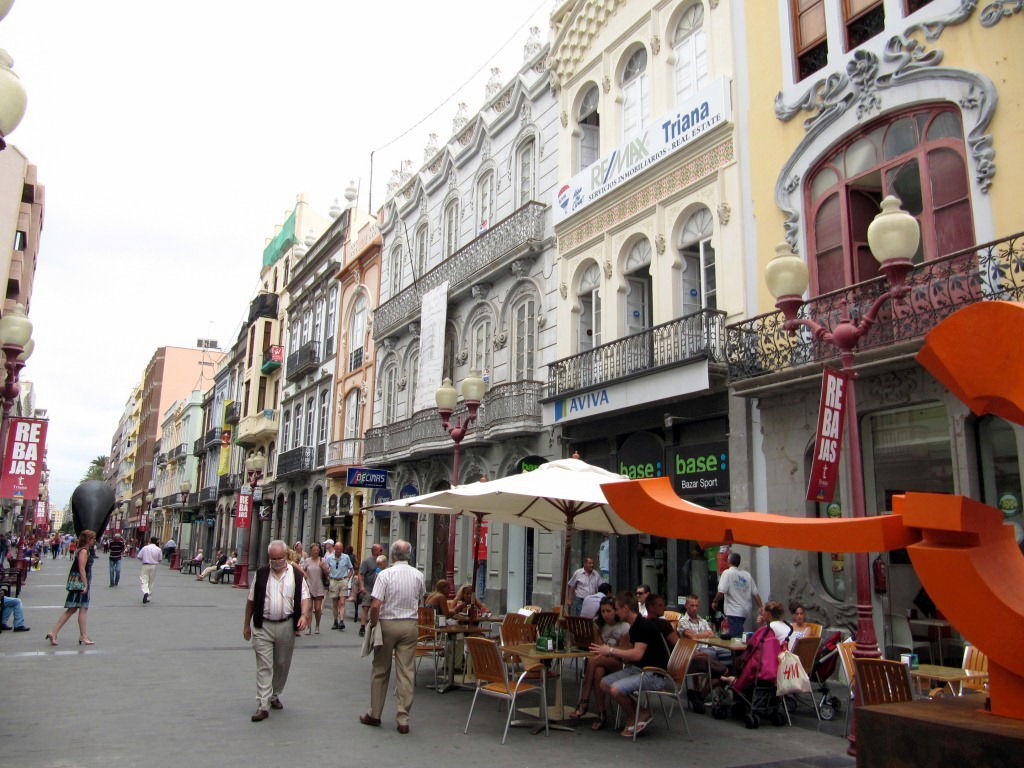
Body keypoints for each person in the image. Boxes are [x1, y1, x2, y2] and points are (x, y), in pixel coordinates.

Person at [360, 539, 425, 735]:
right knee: (406, 671)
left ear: (393, 556)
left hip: (387, 623)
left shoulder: (385, 575)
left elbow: (376, 604)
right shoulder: (418, 575)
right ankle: (403, 718)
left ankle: (375, 713)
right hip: (410, 625)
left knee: (380, 669)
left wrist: (373, 623)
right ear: (410, 556)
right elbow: (421, 597)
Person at [243, 540, 310, 722]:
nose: (276, 562)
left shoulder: (296, 574)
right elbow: (251, 601)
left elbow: (305, 597)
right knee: (264, 665)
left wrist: (304, 615)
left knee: (281, 663)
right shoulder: (262, 574)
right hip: (262, 625)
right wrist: (246, 625)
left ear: (286, 556)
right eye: (273, 559)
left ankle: (275, 694)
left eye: (279, 558)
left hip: (286, 626)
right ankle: (263, 704)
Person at [592, 592, 672, 737]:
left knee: (615, 689)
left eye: (617, 609)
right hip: (638, 669)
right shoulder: (634, 626)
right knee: (604, 683)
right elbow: (630, 653)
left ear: (626, 608)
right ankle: (641, 712)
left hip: (653, 673)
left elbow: (637, 654)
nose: (616, 612)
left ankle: (634, 715)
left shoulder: (643, 626)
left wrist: (610, 650)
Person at [570, 596, 630, 729]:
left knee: (593, 661)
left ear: (616, 611)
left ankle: (584, 701)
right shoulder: (600, 626)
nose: (605, 615)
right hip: (602, 661)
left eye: (609, 611)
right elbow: (597, 649)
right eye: (603, 612)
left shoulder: (625, 627)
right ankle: (601, 714)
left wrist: (609, 650)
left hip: (619, 663)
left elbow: (624, 651)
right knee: (598, 671)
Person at [46, 530, 97, 646]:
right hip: (80, 583)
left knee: (72, 609)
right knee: (82, 609)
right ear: (88, 540)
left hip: (77, 583)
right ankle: (82, 636)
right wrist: (85, 584)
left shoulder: (82, 550)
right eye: (93, 539)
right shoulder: (84, 551)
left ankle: (54, 632)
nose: (94, 541)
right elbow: (82, 568)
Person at [713, 552, 762, 638]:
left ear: (728, 561)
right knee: (735, 632)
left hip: (734, 610)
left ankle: (738, 651)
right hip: (745, 610)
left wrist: (715, 601)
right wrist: (761, 607)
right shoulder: (747, 575)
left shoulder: (727, 573)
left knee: (736, 636)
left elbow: (721, 591)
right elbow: (755, 594)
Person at [300, 543, 329, 634]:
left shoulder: (322, 560)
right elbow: (302, 571)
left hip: (319, 586)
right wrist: (304, 577)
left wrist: (323, 568)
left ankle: (317, 625)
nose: (315, 552)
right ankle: (308, 627)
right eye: (314, 550)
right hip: (309, 586)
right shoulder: (307, 561)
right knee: (308, 608)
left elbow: (328, 573)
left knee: (317, 609)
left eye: (317, 550)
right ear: (311, 551)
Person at [325, 542, 354, 630]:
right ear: (334, 549)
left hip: (343, 580)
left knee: (342, 602)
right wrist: (328, 576)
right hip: (334, 580)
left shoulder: (346, 557)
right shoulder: (330, 558)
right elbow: (326, 569)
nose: (338, 551)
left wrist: (347, 578)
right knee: (334, 603)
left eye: (340, 549)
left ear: (342, 549)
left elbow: (351, 569)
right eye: (337, 549)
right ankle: (335, 621)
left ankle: (341, 621)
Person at [357, 543, 383, 637]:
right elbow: (361, 574)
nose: (381, 552)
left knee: (376, 608)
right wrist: (362, 587)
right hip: (368, 589)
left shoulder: (382, 561)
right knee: (366, 607)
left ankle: (374, 626)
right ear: (375, 551)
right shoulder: (367, 561)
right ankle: (362, 627)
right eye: (380, 550)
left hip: (378, 589)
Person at [137, 536, 163, 603]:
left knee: (144, 579)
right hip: (154, 566)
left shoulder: (145, 548)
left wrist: (144, 559)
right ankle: (148, 597)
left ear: (150, 541)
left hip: (145, 565)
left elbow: (139, 556)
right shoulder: (158, 549)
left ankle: (145, 592)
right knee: (151, 581)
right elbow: (160, 559)